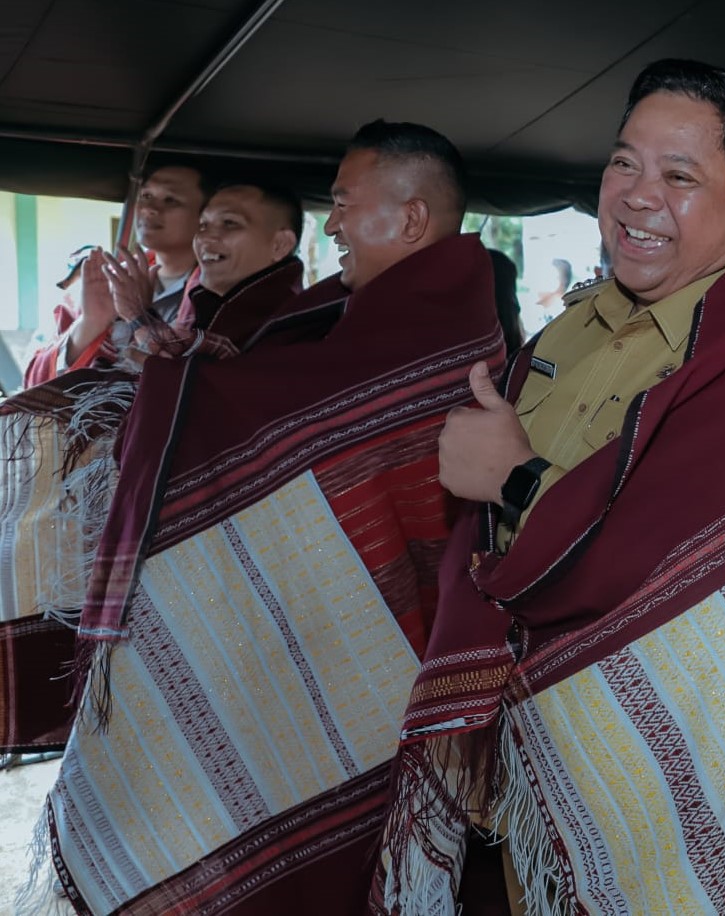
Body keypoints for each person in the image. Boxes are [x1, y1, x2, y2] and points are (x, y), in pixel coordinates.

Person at [377, 59, 725, 916]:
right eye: (625, 163)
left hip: (662, 799)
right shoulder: (574, 327)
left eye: (680, 176)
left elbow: (651, 573)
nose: (637, 196)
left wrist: (510, 481)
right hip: (519, 777)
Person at [33, 124, 504, 915]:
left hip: (380, 633)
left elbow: (265, 406)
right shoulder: (375, 310)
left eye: (347, 206)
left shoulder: (433, 326)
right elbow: (257, 381)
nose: (334, 225)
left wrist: (150, 347)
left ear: (413, 221)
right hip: (343, 615)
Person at [0, 178, 306, 760]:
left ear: (279, 244)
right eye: (207, 224)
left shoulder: (288, 315)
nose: (206, 236)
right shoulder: (171, 296)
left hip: (217, 547)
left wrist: (138, 317)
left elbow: (216, 394)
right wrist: (100, 321)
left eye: (226, 224)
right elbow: (52, 368)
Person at [23, 163, 209, 387]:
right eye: (146, 195)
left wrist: (139, 317)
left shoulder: (213, 294)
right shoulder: (102, 282)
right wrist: (90, 323)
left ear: (205, 217)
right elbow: (34, 384)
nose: (149, 208)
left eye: (170, 200)